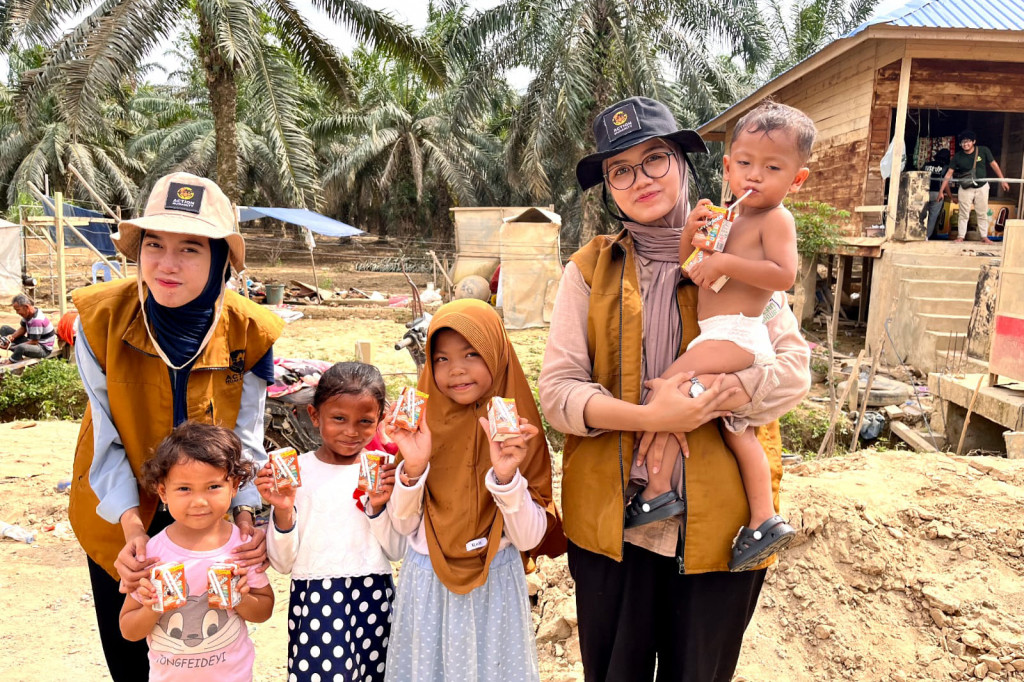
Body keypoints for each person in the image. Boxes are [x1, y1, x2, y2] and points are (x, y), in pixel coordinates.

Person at [538, 96, 811, 681]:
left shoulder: (738, 251)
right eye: (620, 169)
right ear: (609, 186)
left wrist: (709, 398)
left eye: (655, 159)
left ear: (686, 163)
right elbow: (558, 395)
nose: (640, 180)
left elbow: (791, 372)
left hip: (719, 526)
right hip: (615, 525)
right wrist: (652, 417)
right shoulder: (588, 270)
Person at [70, 172, 285, 681]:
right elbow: (106, 435)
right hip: (118, 514)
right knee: (134, 655)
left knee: (209, 648)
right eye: (154, 244)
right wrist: (131, 529)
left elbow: (248, 437)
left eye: (190, 248)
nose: (166, 264)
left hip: (210, 510)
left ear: (220, 262)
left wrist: (247, 515)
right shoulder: (98, 319)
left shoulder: (250, 330)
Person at [624, 101, 813, 572]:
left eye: (772, 168)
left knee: (665, 390)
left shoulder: (775, 220)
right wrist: (692, 235)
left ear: (796, 180)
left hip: (738, 334)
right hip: (716, 333)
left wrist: (725, 261)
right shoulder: (728, 217)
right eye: (745, 164)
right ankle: (764, 518)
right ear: (727, 167)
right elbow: (693, 273)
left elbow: (784, 275)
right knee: (738, 431)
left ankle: (656, 491)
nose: (755, 177)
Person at [384, 299, 558, 681]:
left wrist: (507, 477)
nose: (456, 369)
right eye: (441, 359)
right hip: (427, 581)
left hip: (496, 582)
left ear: (498, 354)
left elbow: (529, 535)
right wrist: (413, 467)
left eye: (472, 353)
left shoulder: (517, 433)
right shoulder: (421, 428)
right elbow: (401, 526)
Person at [257, 362, 406, 682]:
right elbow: (283, 563)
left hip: (374, 595)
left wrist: (378, 507)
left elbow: (395, 550)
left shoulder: (382, 470)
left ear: (379, 421)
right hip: (316, 602)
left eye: (365, 421)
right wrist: (283, 510)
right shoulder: (297, 473)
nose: (351, 431)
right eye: (338, 418)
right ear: (314, 416)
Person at [119, 422, 275, 680]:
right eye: (184, 489)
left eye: (213, 487)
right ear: (163, 492)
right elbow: (128, 629)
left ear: (234, 487)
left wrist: (241, 599)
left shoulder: (242, 548)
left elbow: (265, 609)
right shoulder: (152, 554)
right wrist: (153, 607)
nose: (199, 501)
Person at [939, 130, 1011, 243]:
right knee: (963, 213)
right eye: (962, 142)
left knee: (982, 213)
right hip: (965, 188)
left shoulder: (983, 150)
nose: (965, 144)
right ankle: (960, 236)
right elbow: (948, 174)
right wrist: (941, 191)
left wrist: (1002, 180)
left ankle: (984, 237)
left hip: (982, 187)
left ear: (974, 141)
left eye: (967, 141)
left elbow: (994, 164)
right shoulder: (958, 156)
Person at [0, 294, 55, 363]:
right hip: (33, 342)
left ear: (26, 307)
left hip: (42, 349)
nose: (17, 313)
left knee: (21, 347)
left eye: (18, 310)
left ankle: (12, 361)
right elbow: (23, 329)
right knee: (4, 329)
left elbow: (34, 342)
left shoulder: (37, 320)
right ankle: (17, 354)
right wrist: (11, 337)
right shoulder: (28, 314)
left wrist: (12, 347)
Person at [922, 148, 952, 239]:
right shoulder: (945, 167)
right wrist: (950, 196)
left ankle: (917, 233)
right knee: (932, 217)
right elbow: (945, 184)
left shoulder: (927, 164)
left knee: (921, 215)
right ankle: (926, 237)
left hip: (923, 192)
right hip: (937, 193)